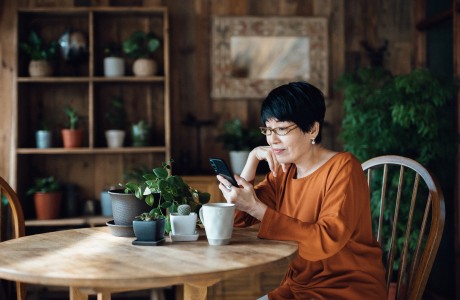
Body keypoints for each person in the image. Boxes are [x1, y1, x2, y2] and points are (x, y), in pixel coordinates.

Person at [216, 81, 387, 299]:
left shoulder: (344, 168)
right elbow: (237, 218)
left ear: (313, 129)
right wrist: (252, 160)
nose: (272, 139)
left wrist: (257, 208)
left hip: (347, 289)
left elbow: (325, 240)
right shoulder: (285, 172)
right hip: (299, 288)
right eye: (268, 130)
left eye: (281, 129)